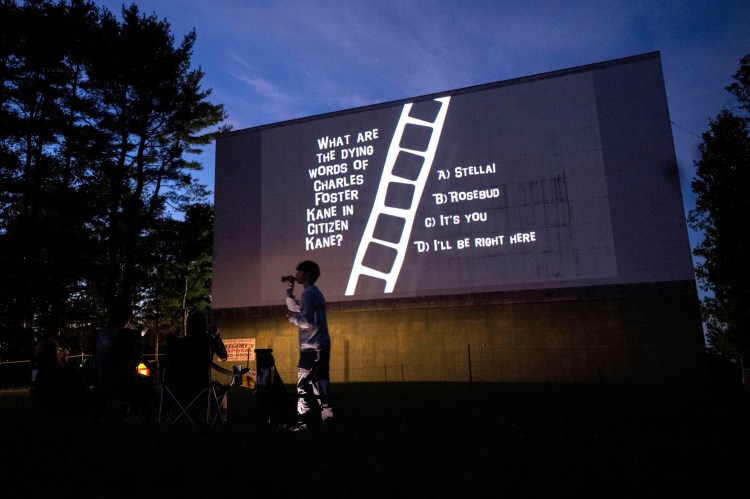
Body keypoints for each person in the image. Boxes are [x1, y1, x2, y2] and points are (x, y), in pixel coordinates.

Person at [283, 260, 334, 429]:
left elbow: (305, 320)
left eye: (299, 272)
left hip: (311, 348)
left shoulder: (308, 294)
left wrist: (292, 319)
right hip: (320, 346)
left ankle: (303, 421)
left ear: (308, 274)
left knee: (303, 385)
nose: (296, 275)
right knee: (320, 383)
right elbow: (296, 308)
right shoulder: (313, 293)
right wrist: (290, 289)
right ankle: (327, 418)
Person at [93, 301, 151, 418]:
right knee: (146, 374)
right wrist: (148, 375)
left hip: (102, 383)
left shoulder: (99, 335)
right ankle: (147, 411)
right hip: (126, 385)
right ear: (128, 319)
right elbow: (138, 362)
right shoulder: (134, 337)